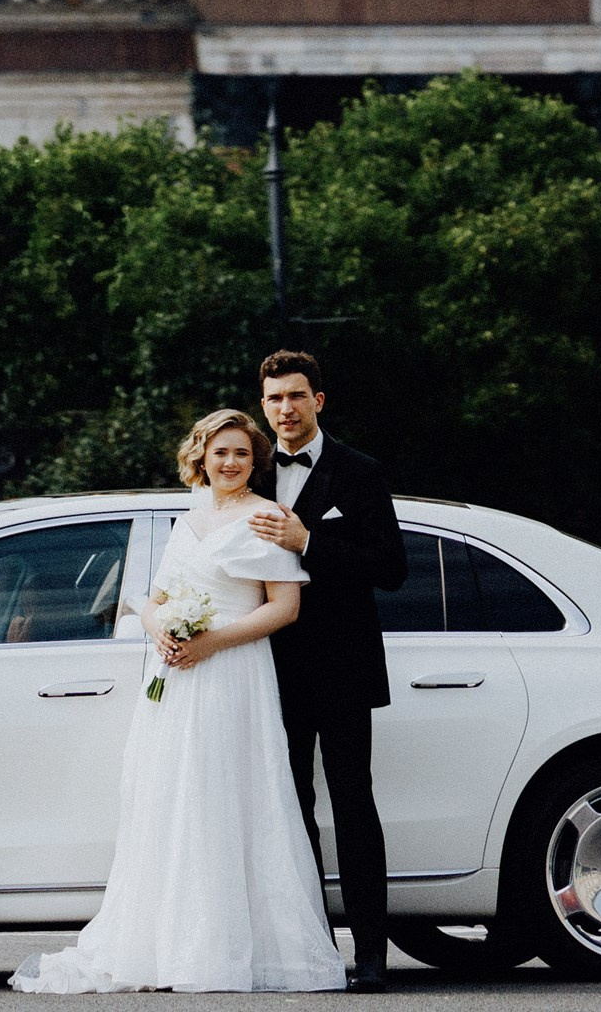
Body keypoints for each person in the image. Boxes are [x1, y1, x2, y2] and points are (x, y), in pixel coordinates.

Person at [11, 409, 346, 995]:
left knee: (229, 800)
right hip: (177, 684)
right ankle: (169, 943)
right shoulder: (187, 518)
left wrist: (211, 641)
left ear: (255, 460)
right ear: (202, 456)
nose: (231, 463)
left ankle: (230, 950)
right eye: (220, 452)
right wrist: (161, 629)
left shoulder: (267, 517)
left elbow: (284, 607)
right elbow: (156, 598)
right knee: (173, 801)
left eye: (242, 453)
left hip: (234, 674)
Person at [248, 349, 408, 995]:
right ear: (263, 406)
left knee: (353, 806)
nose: (285, 409)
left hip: (343, 667)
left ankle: (372, 954)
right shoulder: (249, 471)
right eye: (274, 399)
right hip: (269, 669)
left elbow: (390, 567)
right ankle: (312, 948)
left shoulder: (359, 472)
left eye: (295, 396)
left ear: (319, 400)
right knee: (289, 811)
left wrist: (309, 542)